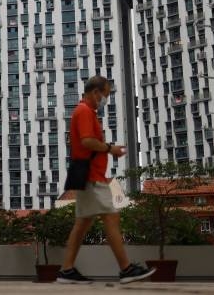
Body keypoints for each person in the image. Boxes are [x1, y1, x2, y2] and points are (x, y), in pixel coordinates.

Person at [57, 76, 155, 285]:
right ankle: (126, 269)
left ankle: (66, 270)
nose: (105, 100)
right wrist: (111, 149)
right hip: (92, 177)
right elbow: (87, 141)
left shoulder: (84, 111)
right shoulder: (83, 111)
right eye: (106, 95)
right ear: (95, 92)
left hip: (89, 175)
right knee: (111, 217)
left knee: (82, 224)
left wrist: (109, 149)